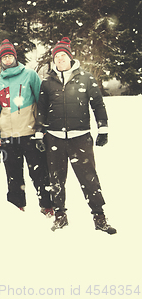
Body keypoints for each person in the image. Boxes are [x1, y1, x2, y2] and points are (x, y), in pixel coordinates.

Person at [35, 37, 116, 234]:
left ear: (70, 58)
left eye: (63, 56)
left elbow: (97, 104)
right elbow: (41, 110)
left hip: (80, 137)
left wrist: (102, 128)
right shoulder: (47, 82)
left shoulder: (86, 78)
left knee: (89, 178)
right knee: (56, 179)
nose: (60, 59)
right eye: (57, 57)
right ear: (53, 61)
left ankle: (99, 217)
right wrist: (39, 133)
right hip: (54, 137)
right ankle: (60, 216)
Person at [0, 39, 53, 215]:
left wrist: (42, 128)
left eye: (10, 56)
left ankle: (47, 205)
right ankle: (16, 208)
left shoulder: (29, 75)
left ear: (15, 57)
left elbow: (42, 102)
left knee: (39, 172)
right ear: (1, 60)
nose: (8, 60)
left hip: (30, 132)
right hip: (8, 136)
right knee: (13, 175)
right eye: (4, 57)